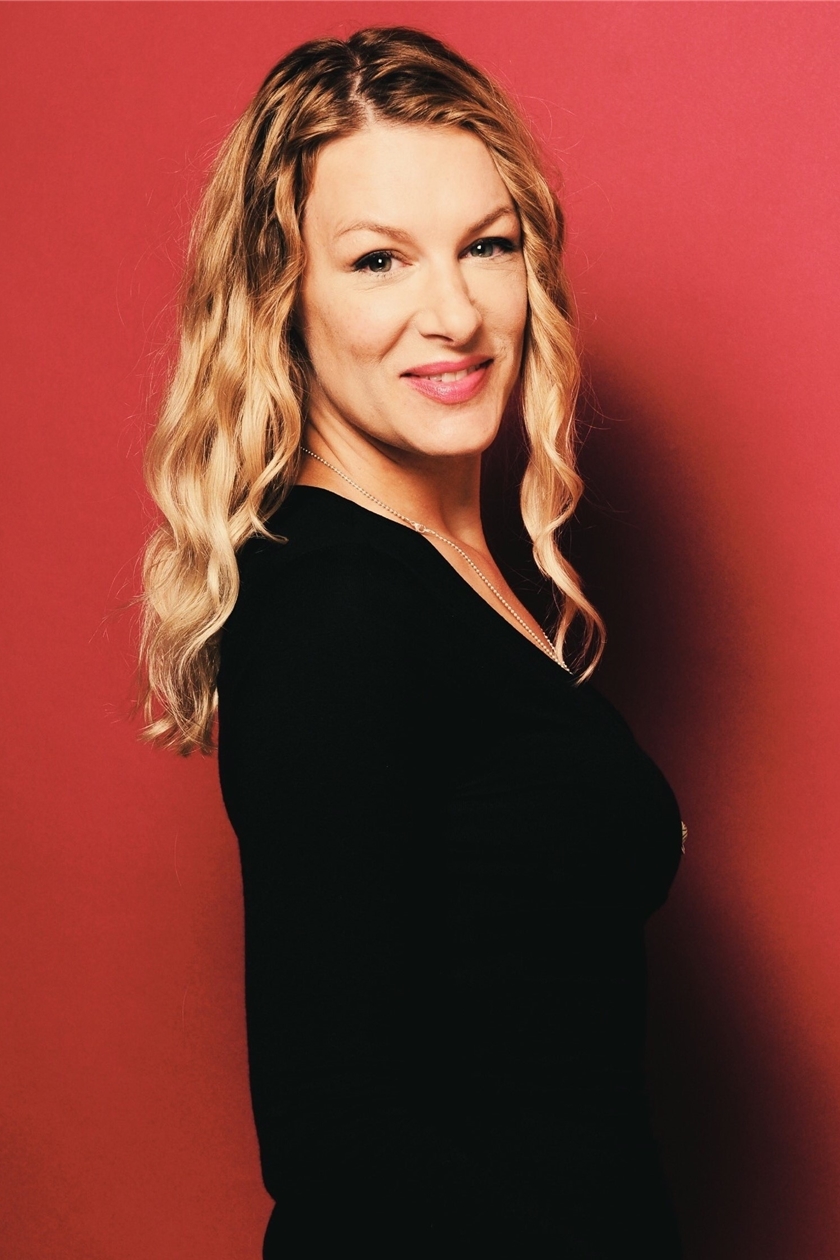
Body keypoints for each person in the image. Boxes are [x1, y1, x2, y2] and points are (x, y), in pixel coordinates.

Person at [139, 26, 684, 1257]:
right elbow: (339, 1143)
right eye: (379, 259)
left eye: (487, 246)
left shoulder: (452, 574)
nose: (454, 313)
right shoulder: (335, 611)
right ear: (281, 299)